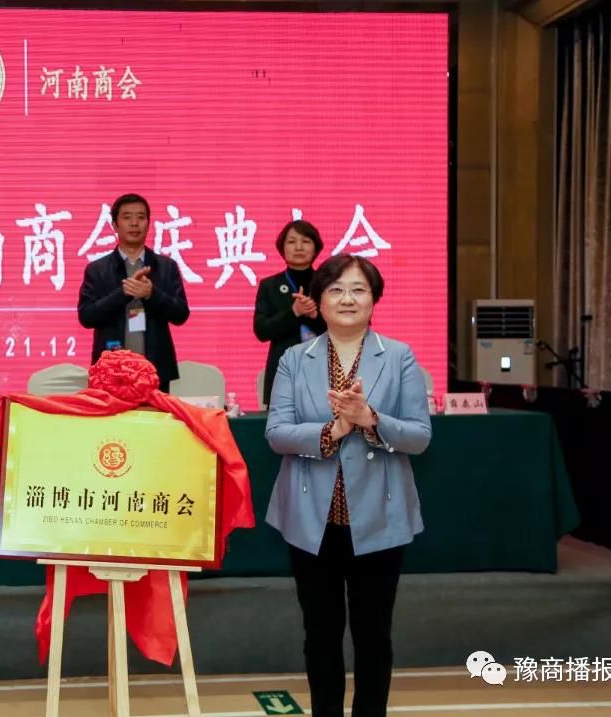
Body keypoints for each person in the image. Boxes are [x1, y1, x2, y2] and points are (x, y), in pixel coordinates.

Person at [264, 254, 431, 717]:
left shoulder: (398, 356)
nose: (347, 299)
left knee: (373, 634)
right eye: (336, 290)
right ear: (318, 300)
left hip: (380, 516)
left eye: (359, 289)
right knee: (320, 633)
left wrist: (370, 418)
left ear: (374, 299)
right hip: (311, 518)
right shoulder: (294, 359)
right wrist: (333, 430)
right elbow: (276, 433)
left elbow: (419, 437)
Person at [77, 193, 190, 392]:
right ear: (115, 225)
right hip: (111, 373)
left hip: (155, 370)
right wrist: (123, 293)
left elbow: (181, 314)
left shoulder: (166, 267)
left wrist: (152, 294)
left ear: (148, 223)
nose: (134, 223)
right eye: (127, 217)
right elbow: (86, 316)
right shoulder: (97, 269)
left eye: (141, 217)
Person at [253, 219, 328, 406]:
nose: (299, 247)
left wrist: (315, 316)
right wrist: (293, 313)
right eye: (292, 241)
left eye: (306, 241)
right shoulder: (270, 285)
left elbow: (343, 328)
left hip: (324, 369)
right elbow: (261, 330)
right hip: (283, 370)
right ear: (282, 248)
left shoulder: (328, 283)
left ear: (316, 248)